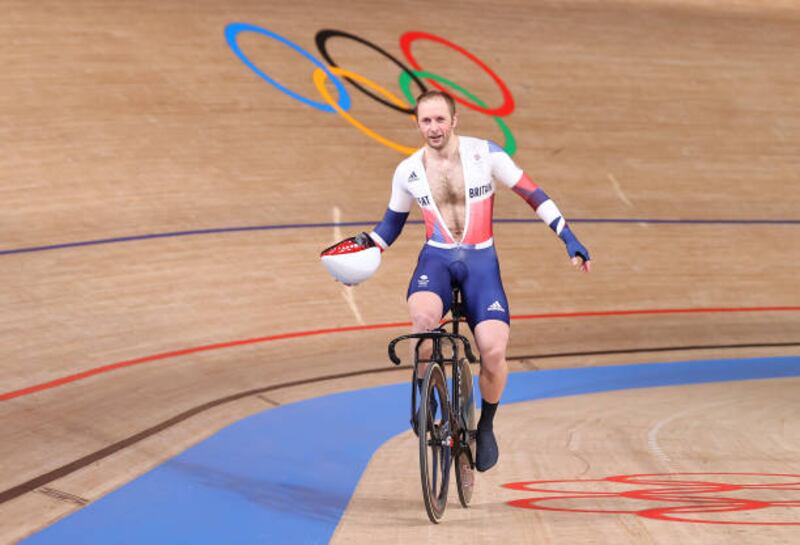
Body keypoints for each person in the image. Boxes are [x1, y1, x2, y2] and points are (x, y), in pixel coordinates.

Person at [361, 90, 591, 472]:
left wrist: (568, 237)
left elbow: (533, 194)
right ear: (417, 124)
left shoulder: (487, 155)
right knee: (422, 325)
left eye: (439, 120)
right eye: (425, 121)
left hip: (481, 264)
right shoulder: (408, 170)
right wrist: (359, 258)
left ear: (454, 121)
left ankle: (485, 427)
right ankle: (426, 400)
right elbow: (389, 227)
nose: (433, 128)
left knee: (494, 351)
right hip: (435, 260)